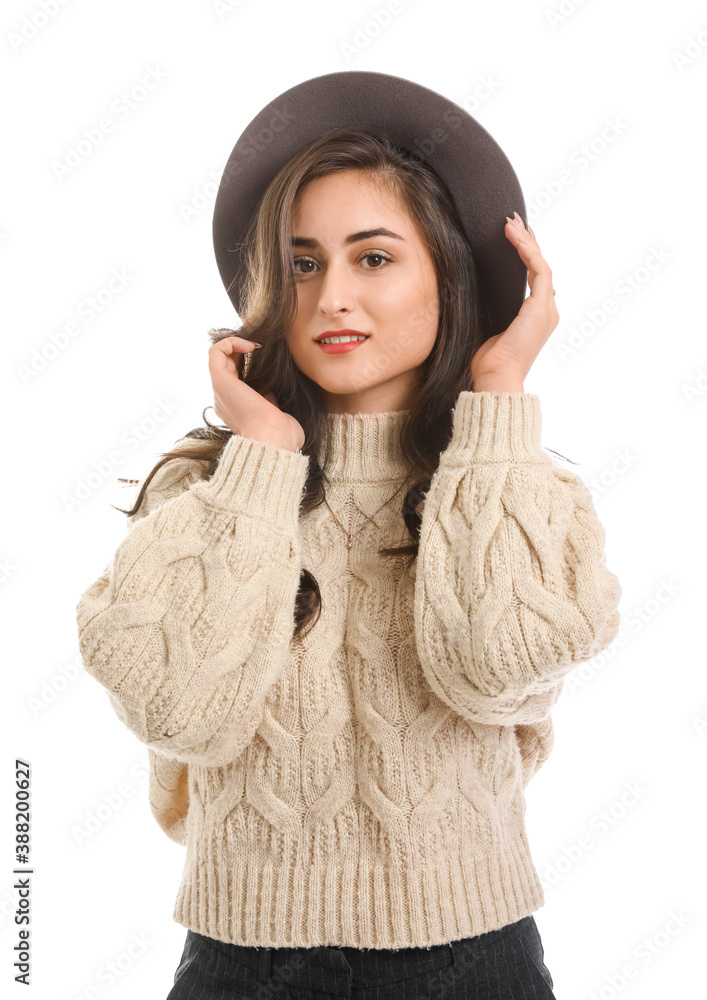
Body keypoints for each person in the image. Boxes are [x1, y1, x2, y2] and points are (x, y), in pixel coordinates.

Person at [75, 72, 621, 999]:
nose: (331, 296)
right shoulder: (206, 490)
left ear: (446, 275)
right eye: (301, 263)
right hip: (240, 961)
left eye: (373, 258)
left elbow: (503, 668)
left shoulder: (520, 484)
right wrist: (261, 457)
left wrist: (496, 405)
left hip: (474, 958)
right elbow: (178, 714)